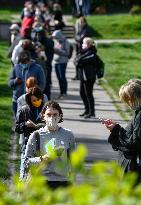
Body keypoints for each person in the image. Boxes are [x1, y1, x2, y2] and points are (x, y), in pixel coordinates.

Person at [23, 101, 76, 189]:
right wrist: (42, 159)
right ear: (43, 116)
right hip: (41, 181)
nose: (52, 117)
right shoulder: (36, 135)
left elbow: (74, 160)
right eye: (49, 114)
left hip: (63, 181)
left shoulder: (68, 135)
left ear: (60, 116)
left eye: (55, 115)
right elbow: (26, 161)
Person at [102, 79, 141, 183]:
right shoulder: (138, 112)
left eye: (128, 99)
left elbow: (134, 143)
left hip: (135, 168)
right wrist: (115, 128)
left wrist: (116, 130)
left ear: (137, 97)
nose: (127, 103)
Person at [15, 86, 46, 179]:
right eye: (34, 100)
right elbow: (17, 128)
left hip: (44, 147)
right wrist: (25, 125)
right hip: (28, 145)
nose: (36, 102)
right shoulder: (24, 110)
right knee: (24, 175)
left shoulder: (47, 110)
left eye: (38, 99)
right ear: (29, 100)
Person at [8, 51, 45, 117]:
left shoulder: (38, 68)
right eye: (22, 62)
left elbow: (42, 84)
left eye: (26, 61)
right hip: (17, 99)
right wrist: (15, 81)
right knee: (18, 120)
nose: (24, 64)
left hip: (32, 101)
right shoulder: (16, 67)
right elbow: (9, 83)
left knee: (31, 121)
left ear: (29, 59)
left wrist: (35, 92)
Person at [76, 37, 97, 118]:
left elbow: (79, 61)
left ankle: (92, 112)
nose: (82, 45)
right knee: (82, 93)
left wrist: (79, 61)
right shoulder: (83, 52)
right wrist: (78, 61)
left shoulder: (92, 53)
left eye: (83, 43)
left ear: (88, 45)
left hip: (89, 77)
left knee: (88, 94)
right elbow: (76, 60)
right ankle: (87, 110)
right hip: (83, 76)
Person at [52, 30, 70, 99]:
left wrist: (57, 50)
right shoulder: (57, 41)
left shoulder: (66, 42)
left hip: (62, 62)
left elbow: (67, 53)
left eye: (55, 37)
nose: (55, 38)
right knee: (59, 78)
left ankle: (64, 93)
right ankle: (61, 93)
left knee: (62, 77)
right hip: (56, 61)